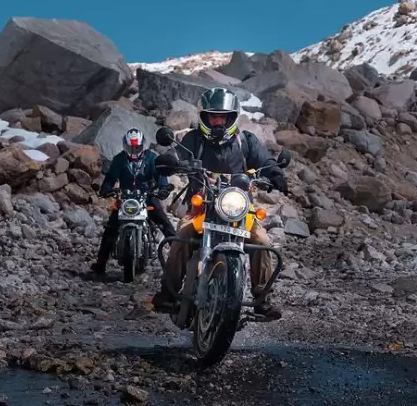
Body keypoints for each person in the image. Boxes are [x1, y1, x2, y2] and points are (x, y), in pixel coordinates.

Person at [150, 87, 288, 320]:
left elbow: (264, 160)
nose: (218, 121)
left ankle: (261, 299)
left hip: (239, 209)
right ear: (205, 117)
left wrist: (274, 172)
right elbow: (178, 154)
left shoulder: (246, 141)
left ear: (232, 117)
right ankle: (168, 292)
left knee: (262, 240)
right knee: (182, 235)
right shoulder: (193, 139)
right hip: (202, 207)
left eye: (222, 116)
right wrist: (170, 160)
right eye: (213, 116)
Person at [91, 128, 178, 276]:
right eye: (130, 147)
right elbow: (111, 178)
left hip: (147, 196)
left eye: (136, 147)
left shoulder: (152, 158)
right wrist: (105, 188)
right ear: (125, 146)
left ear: (142, 145)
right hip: (126, 197)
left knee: (165, 224)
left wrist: (163, 188)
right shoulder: (119, 159)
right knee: (110, 228)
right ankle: (101, 263)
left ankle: (178, 260)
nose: (133, 150)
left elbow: (161, 174)